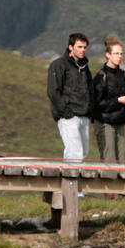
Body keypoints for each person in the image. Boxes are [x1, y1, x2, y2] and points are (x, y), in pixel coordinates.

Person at [47, 32, 97, 161]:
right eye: (80, 47)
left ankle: (76, 180)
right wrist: (65, 112)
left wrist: (90, 112)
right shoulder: (58, 65)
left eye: (85, 47)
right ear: (71, 47)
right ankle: (70, 181)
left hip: (84, 116)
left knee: (84, 153)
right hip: (69, 116)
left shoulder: (85, 67)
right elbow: (53, 91)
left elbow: (90, 90)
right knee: (75, 154)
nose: (83, 50)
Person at [92, 34, 125, 163]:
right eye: (116, 53)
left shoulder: (123, 74)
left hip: (121, 122)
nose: (119, 56)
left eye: (121, 54)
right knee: (108, 162)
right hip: (105, 123)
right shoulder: (101, 76)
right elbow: (97, 104)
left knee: (121, 162)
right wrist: (118, 101)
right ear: (108, 55)